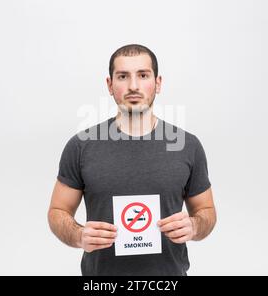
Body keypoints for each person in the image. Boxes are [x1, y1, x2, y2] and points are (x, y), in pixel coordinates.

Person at [48, 44, 217, 276]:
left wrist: (195, 226)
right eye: (123, 76)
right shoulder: (81, 146)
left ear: (158, 83)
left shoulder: (188, 146)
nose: (133, 86)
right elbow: (58, 211)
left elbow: (206, 210)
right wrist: (78, 235)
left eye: (143, 75)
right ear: (110, 85)